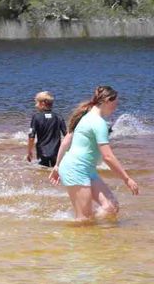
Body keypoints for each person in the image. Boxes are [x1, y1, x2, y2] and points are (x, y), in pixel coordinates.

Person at [49, 86, 139, 221]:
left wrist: (57, 166)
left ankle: (95, 236)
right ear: (107, 100)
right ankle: (70, 236)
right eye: (115, 103)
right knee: (84, 219)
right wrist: (127, 179)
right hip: (76, 169)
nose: (116, 107)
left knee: (111, 207)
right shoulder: (98, 123)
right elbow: (108, 156)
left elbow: (67, 140)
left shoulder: (86, 116)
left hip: (87, 169)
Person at [26, 91, 67, 167]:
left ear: (42, 103)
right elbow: (67, 135)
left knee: (43, 171)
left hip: (42, 153)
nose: (35, 105)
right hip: (56, 153)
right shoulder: (59, 117)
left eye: (37, 103)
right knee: (55, 170)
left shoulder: (36, 117)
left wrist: (29, 152)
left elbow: (31, 137)